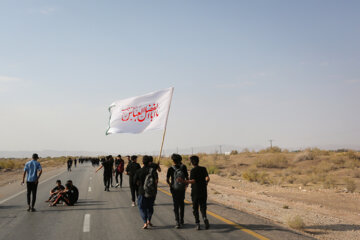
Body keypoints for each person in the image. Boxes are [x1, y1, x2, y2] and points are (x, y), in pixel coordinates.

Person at [181, 155, 210, 230]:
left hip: (195, 191)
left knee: (195, 208)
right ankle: (204, 217)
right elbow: (207, 178)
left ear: (192, 162)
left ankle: (197, 223)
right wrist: (206, 183)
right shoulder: (204, 169)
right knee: (203, 206)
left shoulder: (193, 170)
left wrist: (184, 181)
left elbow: (193, 181)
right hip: (203, 191)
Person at [134, 156, 158, 229]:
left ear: (143, 162)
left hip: (142, 191)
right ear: (149, 162)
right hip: (151, 192)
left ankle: (145, 222)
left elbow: (135, 181)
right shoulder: (153, 171)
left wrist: (140, 184)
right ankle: (149, 220)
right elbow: (156, 181)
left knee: (141, 207)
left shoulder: (139, 171)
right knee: (150, 207)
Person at [166, 154, 188, 228]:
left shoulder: (170, 168)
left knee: (176, 204)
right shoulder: (184, 167)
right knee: (181, 203)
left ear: (173, 160)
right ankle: (182, 220)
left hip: (174, 189)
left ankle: (177, 221)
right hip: (182, 188)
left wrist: (170, 185)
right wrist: (185, 186)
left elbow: (167, 179)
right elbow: (187, 178)